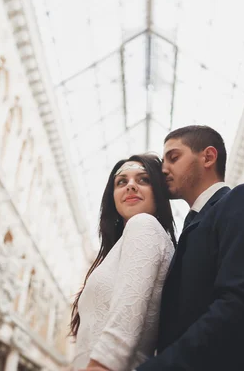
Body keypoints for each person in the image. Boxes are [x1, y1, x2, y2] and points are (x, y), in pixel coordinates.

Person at [137, 125, 244, 370]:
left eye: (174, 158)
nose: (163, 169)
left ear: (208, 156)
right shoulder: (191, 227)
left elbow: (243, 307)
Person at [71, 154, 177, 371]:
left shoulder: (144, 225)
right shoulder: (121, 246)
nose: (130, 186)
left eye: (143, 180)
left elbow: (127, 318)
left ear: (158, 192)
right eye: (121, 182)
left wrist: (100, 366)